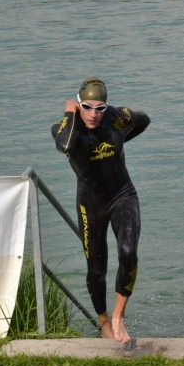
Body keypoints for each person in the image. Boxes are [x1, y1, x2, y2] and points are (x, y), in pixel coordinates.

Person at [51, 77, 150, 343]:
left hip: (123, 195)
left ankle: (118, 316)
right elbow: (65, 146)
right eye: (87, 107)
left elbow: (144, 120)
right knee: (96, 269)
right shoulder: (64, 128)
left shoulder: (116, 118)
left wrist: (121, 138)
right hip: (90, 205)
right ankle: (104, 321)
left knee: (128, 252)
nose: (94, 114)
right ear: (78, 105)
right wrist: (69, 113)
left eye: (100, 108)